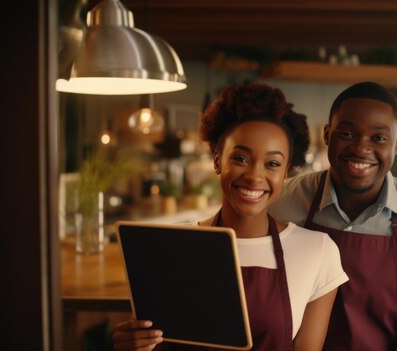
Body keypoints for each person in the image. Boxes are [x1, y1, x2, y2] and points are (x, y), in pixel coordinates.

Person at [112, 83, 349, 351]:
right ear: (217, 160)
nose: (255, 176)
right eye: (240, 158)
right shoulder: (170, 246)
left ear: (286, 173)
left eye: (272, 163)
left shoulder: (318, 252)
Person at [269, 81, 397, 351]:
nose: (361, 148)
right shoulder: (279, 204)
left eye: (378, 138)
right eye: (347, 134)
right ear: (327, 135)